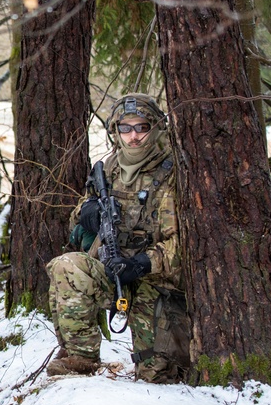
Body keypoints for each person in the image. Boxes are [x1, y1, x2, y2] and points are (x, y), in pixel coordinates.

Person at [46, 93, 191, 383]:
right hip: (111, 270)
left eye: (142, 127)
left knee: (158, 374)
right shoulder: (109, 168)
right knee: (67, 266)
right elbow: (81, 211)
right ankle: (80, 356)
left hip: (156, 281)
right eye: (125, 128)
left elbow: (184, 243)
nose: (134, 136)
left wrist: (142, 263)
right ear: (115, 131)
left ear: (155, 127)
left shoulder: (173, 172)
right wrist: (87, 212)